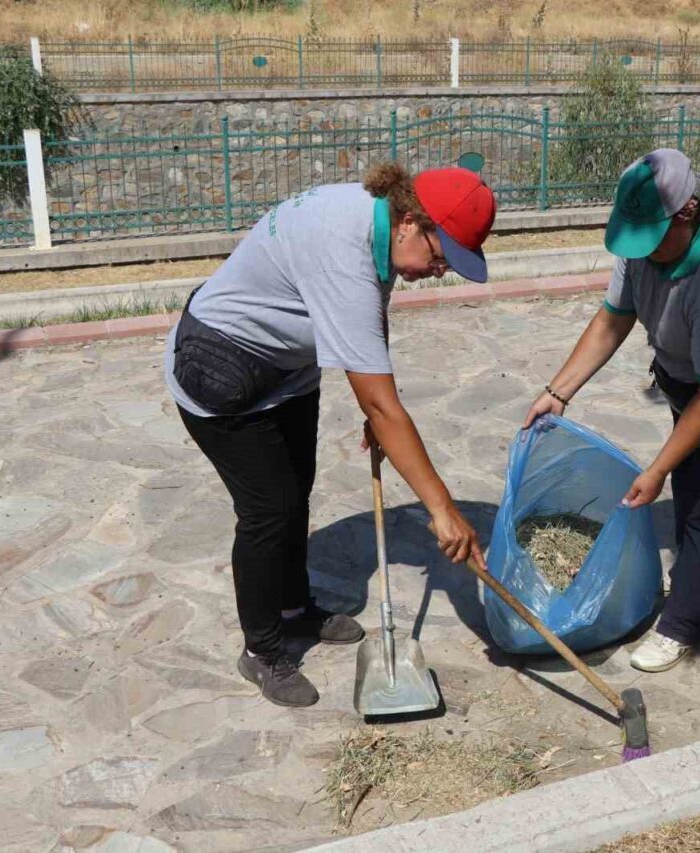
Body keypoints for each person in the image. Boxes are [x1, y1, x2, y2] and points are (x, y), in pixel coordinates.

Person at [165, 163, 494, 706]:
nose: (440, 271)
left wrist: (375, 396)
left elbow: (371, 309)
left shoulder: (378, 223)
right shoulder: (343, 246)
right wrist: (442, 508)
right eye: (441, 257)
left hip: (286, 370)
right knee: (268, 509)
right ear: (412, 220)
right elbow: (385, 400)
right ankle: (262, 650)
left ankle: (295, 610)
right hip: (221, 370)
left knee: (297, 493)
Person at [523, 148, 700, 673]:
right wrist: (557, 390)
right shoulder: (642, 246)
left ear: (687, 213)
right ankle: (692, 578)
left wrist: (655, 470)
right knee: (691, 488)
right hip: (692, 383)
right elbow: (613, 319)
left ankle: (683, 623)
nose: (643, 251)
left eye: (651, 239)